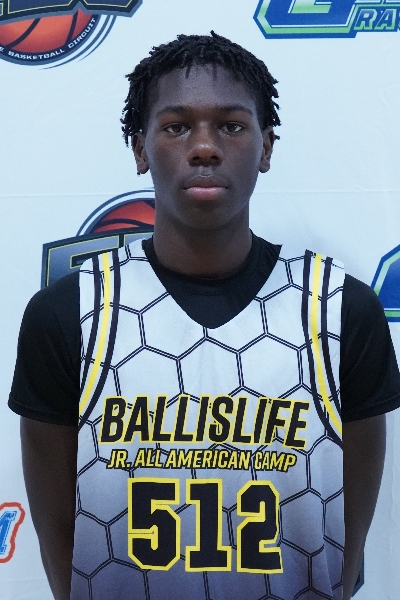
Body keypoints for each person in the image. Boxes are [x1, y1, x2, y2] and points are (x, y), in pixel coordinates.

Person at [9, 32, 400, 600]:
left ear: (266, 148)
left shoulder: (340, 309)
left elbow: (348, 545)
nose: (204, 148)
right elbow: (60, 548)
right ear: (140, 148)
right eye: (176, 127)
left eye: (231, 126)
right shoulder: (68, 314)